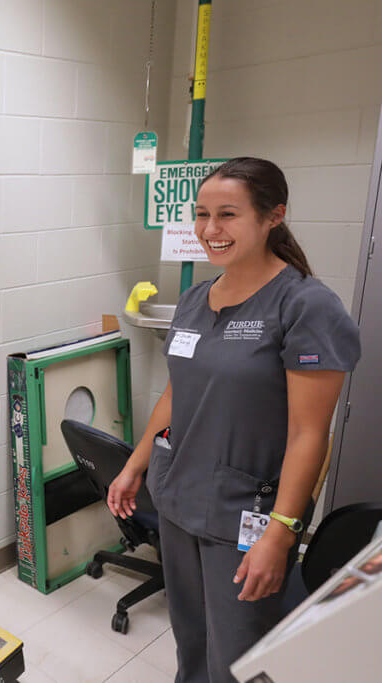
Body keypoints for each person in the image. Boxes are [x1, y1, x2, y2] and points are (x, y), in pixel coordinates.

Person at [107, 157, 360, 683]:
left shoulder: (305, 306)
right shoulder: (198, 299)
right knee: (192, 641)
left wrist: (281, 533)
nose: (210, 230)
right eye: (201, 214)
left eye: (228, 214)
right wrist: (136, 464)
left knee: (238, 656)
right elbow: (177, 395)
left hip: (247, 518)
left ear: (273, 217)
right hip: (177, 500)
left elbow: (310, 433)